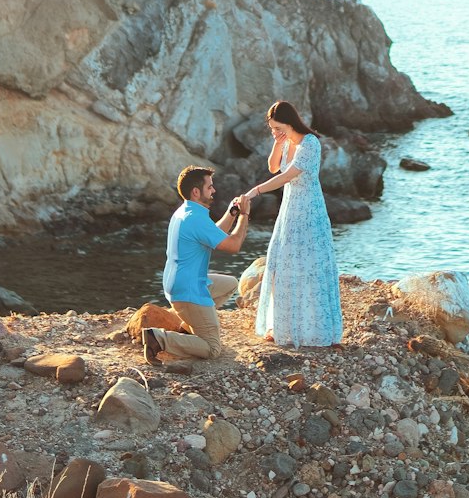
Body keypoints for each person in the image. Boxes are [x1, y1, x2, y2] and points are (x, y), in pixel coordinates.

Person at [240, 100, 342, 347]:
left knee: (308, 265)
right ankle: (281, 325)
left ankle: (311, 329)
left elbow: (287, 176)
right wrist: (277, 144)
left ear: (290, 122)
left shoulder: (310, 143)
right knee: (283, 262)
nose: (275, 132)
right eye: (272, 128)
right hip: (289, 209)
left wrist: (255, 191)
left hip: (309, 209)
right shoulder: (286, 142)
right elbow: (274, 167)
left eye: (279, 128)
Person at [143, 167, 251, 363]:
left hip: (180, 283)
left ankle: (189, 325)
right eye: (209, 187)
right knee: (212, 349)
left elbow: (213, 234)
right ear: (196, 191)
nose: (214, 190)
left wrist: (232, 213)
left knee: (231, 283)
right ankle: (158, 339)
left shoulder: (186, 211)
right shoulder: (196, 218)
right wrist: (244, 215)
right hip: (188, 290)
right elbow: (233, 245)